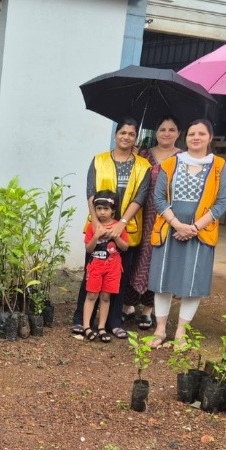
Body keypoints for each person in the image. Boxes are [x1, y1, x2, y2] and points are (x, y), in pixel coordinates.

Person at [148, 118, 226, 348]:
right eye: (192, 133)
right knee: (162, 279)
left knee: (193, 283)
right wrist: (177, 224)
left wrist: (194, 228)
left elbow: (222, 203)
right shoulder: (171, 164)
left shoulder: (219, 166)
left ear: (210, 138)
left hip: (201, 232)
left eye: (201, 134)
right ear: (185, 138)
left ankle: (181, 332)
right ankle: (160, 328)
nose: (196, 138)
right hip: (170, 229)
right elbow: (159, 198)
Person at [71, 118, 151, 340]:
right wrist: (96, 221)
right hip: (98, 228)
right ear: (116, 135)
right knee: (91, 276)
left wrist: (121, 223)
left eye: (131, 134)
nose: (126, 137)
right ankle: (81, 320)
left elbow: (141, 196)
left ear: (136, 138)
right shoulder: (99, 160)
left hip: (126, 229)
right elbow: (90, 191)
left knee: (118, 279)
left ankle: (113, 322)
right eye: (122, 132)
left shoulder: (143, 165)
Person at [128, 116, 182, 331]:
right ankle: (128, 304)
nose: (166, 133)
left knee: (156, 260)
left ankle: (148, 310)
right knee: (136, 257)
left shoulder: (182, 158)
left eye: (171, 129)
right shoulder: (143, 154)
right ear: (156, 131)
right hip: (141, 212)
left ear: (179, 133)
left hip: (167, 216)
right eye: (162, 129)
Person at [80, 194, 128, 343]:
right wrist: (96, 236)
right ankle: (86, 326)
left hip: (113, 267)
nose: (101, 212)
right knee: (91, 295)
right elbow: (88, 249)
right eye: (98, 208)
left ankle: (101, 327)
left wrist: (116, 236)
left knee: (106, 296)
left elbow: (125, 247)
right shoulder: (92, 226)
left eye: (105, 209)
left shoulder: (118, 226)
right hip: (96, 266)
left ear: (112, 211)